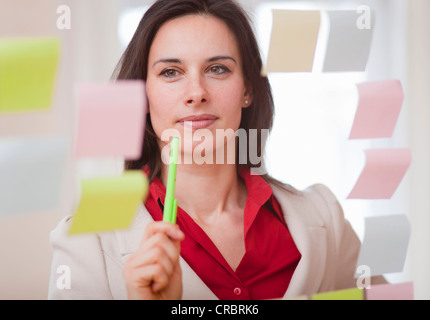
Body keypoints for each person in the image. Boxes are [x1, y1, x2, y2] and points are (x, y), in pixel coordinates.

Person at [48, 0, 381, 300]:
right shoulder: (85, 243)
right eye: (170, 72)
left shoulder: (326, 220)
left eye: (217, 69)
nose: (196, 92)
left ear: (247, 89)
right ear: (143, 96)